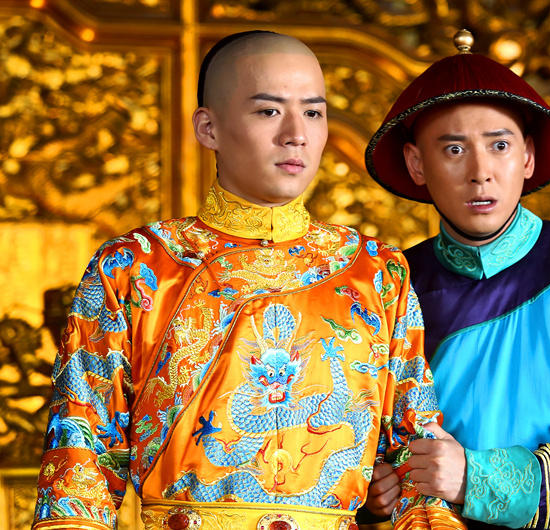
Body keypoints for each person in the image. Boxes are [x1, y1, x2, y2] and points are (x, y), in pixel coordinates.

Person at [31, 31, 465, 530]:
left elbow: (419, 460)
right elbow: (79, 463)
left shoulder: (374, 271)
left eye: (314, 113)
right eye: (269, 111)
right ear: (208, 128)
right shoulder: (137, 266)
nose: (296, 134)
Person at [362, 31, 550, 529]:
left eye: (500, 146)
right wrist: (372, 491)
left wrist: (477, 479)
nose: (480, 172)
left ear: (527, 157)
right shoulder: (389, 285)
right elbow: (359, 439)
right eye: (454, 149)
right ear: (416, 164)